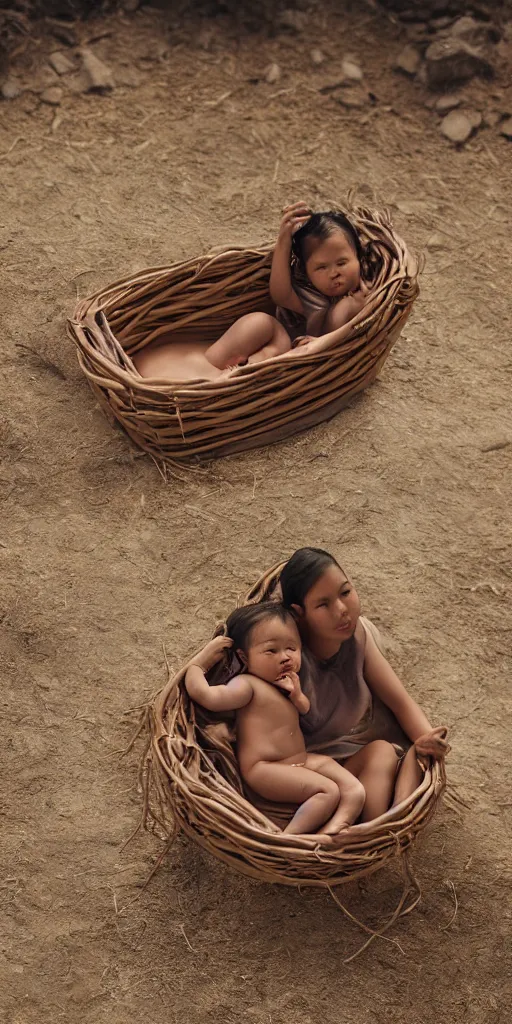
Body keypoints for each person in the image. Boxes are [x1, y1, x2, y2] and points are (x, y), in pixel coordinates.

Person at [276, 547, 450, 823]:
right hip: (309, 769)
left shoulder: (357, 636)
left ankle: (380, 827)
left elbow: (400, 701)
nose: (342, 610)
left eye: (345, 592)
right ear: (299, 613)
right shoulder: (287, 660)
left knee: (384, 752)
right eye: (323, 604)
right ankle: (366, 826)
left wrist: (426, 739)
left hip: (350, 754)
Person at [133, 205, 373, 381]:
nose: (334, 273)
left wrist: (321, 342)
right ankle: (213, 366)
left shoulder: (357, 298)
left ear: (359, 259)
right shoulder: (312, 294)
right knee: (259, 321)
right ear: (306, 271)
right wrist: (283, 243)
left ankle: (233, 378)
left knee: (278, 350)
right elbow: (280, 294)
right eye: (321, 267)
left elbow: (353, 337)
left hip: (298, 362)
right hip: (281, 342)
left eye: (342, 263)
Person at [184, 603, 365, 837]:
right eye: (271, 651)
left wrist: (297, 695)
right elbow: (208, 697)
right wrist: (199, 665)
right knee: (327, 791)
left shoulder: (287, 685)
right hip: (264, 768)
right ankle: (288, 840)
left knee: (353, 788)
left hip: (296, 760)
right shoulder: (247, 685)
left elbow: (305, 709)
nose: (285, 657)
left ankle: (339, 826)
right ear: (244, 657)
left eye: (291, 648)